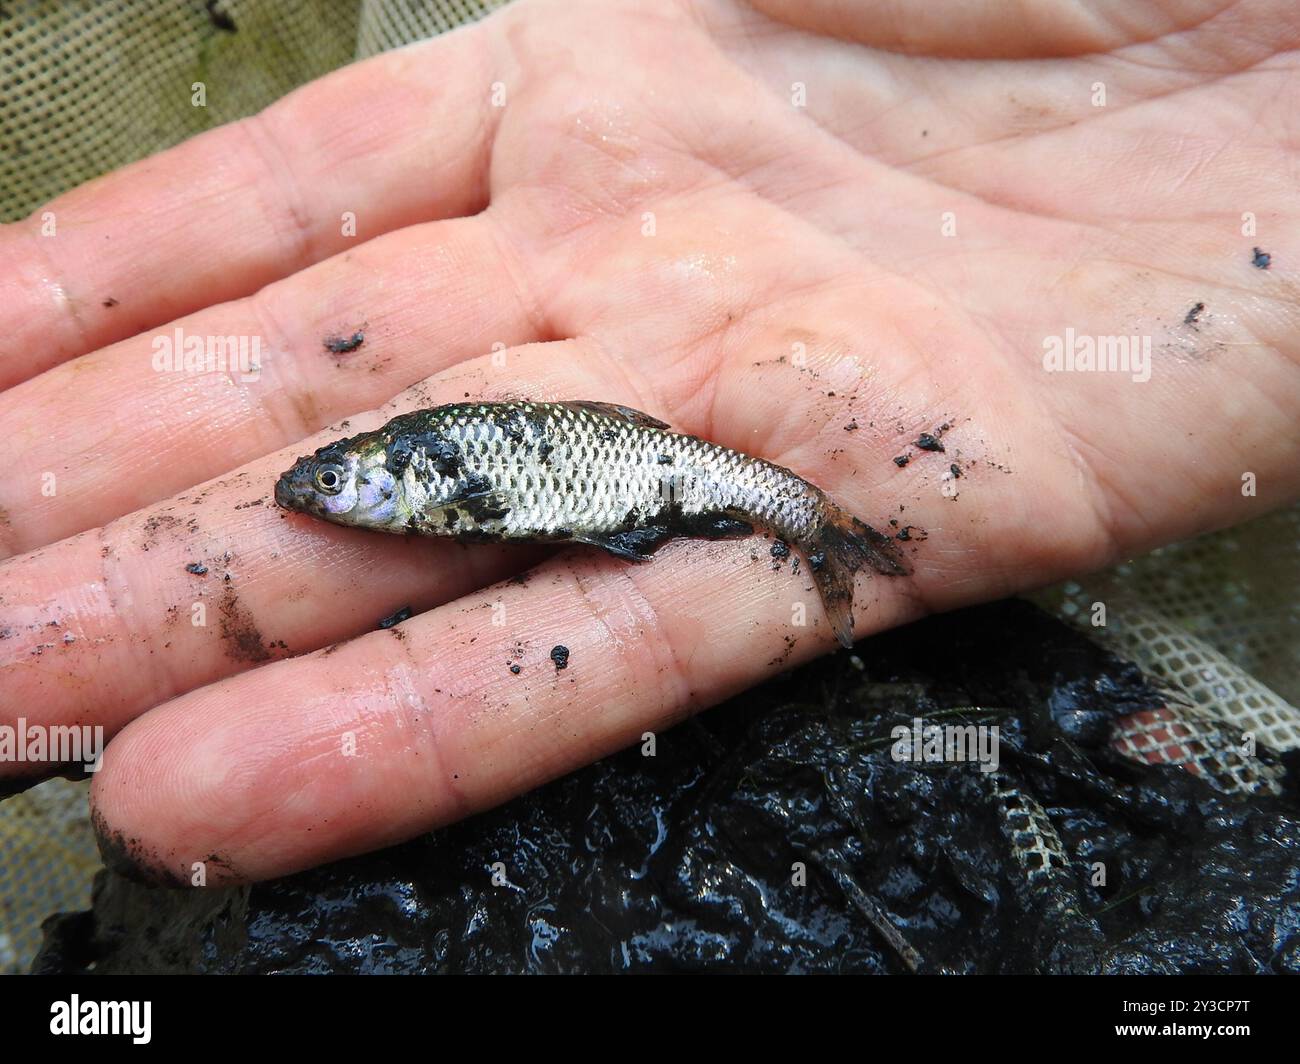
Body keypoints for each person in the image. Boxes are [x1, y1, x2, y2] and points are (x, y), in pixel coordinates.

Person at [0, 0, 1296, 884]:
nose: (330, 495)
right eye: (338, 486)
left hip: (648, 473)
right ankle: (811, 539)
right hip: (618, 470)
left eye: (341, 481)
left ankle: (818, 540)